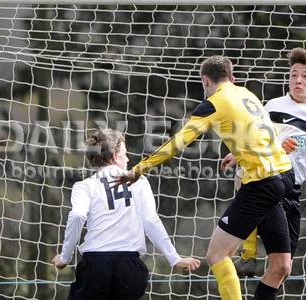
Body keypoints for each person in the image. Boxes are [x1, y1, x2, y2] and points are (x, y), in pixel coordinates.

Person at [113, 56, 295, 300]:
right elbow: (265, 132)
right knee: (281, 266)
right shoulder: (246, 94)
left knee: (217, 255)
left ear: (205, 80)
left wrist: (139, 169)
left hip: (260, 184)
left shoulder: (212, 103)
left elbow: (178, 143)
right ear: (232, 77)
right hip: (282, 177)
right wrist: (240, 155)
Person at [221, 47, 306, 278]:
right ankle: (248, 255)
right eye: (293, 75)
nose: (298, 80)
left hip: (293, 189)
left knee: (282, 268)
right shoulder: (273, 106)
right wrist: (242, 154)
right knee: (244, 177)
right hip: (268, 179)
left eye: (305, 76)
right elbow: (255, 138)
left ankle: (251, 262)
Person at [52, 128, 200, 300]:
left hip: (96, 266)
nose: (128, 158)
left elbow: (77, 216)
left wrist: (65, 257)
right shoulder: (140, 182)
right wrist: (175, 259)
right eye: (125, 153)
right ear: (115, 156)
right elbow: (151, 221)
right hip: (130, 267)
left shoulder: (84, 186)